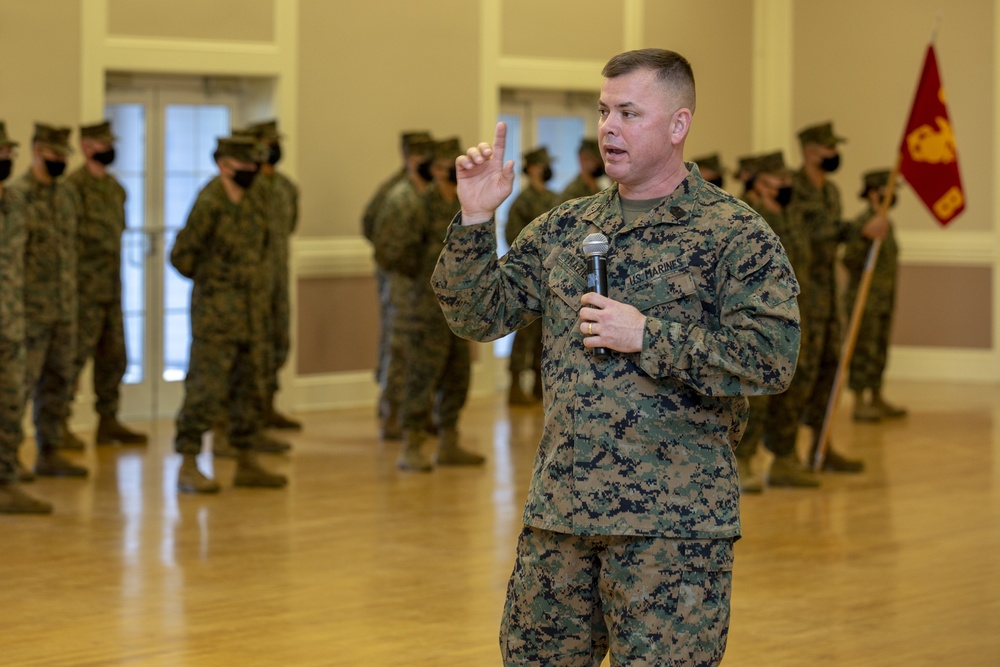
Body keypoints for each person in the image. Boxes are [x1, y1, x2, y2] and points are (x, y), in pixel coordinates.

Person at [433, 49, 800, 665]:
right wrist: (474, 219)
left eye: (629, 112)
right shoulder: (563, 228)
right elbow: (478, 315)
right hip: (562, 515)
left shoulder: (732, 233)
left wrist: (647, 335)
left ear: (678, 125)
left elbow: (771, 357)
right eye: (604, 111)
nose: (608, 127)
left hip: (673, 527)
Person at [170, 136, 287, 494]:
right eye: (244, 165)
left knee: (250, 390)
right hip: (216, 319)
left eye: (255, 165)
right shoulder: (210, 202)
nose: (252, 171)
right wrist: (216, 282)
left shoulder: (258, 199)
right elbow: (181, 256)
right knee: (205, 391)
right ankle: (189, 462)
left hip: (253, 315)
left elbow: (266, 249)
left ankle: (247, 460)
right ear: (224, 165)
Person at [380, 137, 486, 472]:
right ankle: (412, 443)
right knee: (420, 376)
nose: (449, 173)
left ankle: (449, 440)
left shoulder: (462, 205)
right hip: (423, 310)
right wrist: (424, 278)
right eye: (443, 167)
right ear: (436, 170)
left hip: (458, 308)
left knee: (457, 374)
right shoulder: (418, 205)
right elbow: (393, 252)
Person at [732, 151, 818, 491]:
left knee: (795, 389)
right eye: (777, 181)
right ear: (756, 182)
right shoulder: (745, 218)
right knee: (757, 395)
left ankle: (784, 458)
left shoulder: (791, 214)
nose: (785, 186)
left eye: (787, 180)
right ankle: (741, 459)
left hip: (796, 318)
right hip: (758, 320)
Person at [7, 123, 87, 478]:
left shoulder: (67, 196)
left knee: (59, 384)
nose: (59, 161)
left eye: (63, 155)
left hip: (64, 308)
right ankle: (8, 459)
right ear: (37, 150)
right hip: (27, 312)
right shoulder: (18, 197)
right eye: (54, 154)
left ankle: (50, 451)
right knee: (17, 390)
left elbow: (72, 251)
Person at [787, 121, 868, 472]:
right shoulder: (792, 189)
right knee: (798, 376)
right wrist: (857, 229)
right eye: (829, 149)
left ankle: (822, 446)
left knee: (829, 372)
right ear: (810, 152)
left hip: (829, 298)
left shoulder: (832, 191)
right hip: (803, 295)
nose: (835, 155)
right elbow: (816, 232)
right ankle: (785, 455)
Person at [62, 120, 148, 449]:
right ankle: (59, 426)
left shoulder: (116, 190)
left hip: (111, 290)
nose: (110, 149)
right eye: (102, 143)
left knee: (114, 358)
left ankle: (108, 421)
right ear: (86, 148)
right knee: (72, 361)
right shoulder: (73, 189)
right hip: (82, 291)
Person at [0, 121, 53, 513]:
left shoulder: (15, 203)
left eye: (8, 153)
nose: (5, 158)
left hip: (11, 322)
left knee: (9, 404)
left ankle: (5, 480)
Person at [370, 133, 435, 440]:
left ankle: (419, 412)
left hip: (427, 288)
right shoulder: (397, 195)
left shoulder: (433, 195)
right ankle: (391, 411)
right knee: (399, 350)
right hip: (401, 284)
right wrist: (406, 264)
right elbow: (379, 238)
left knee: (425, 353)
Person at [246, 119, 301, 431]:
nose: (272, 148)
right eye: (266, 142)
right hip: (252, 283)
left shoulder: (286, 188)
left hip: (278, 278)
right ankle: (244, 415)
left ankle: (268, 405)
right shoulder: (248, 189)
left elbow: (288, 228)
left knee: (278, 341)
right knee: (252, 348)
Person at [843, 169, 906, 422]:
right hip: (864, 300)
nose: (892, 196)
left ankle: (876, 396)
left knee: (879, 350)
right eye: (886, 190)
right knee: (863, 351)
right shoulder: (863, 223)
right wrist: (863, 237)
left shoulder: (887, 224)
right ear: (873, 193)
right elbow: (849, 259)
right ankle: (859, 402)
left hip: (884, 299)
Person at [504, 146, 558, 405]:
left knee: (543, 336)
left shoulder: (553, 198)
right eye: (545, 164)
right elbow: (512, 237)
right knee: (523, 334)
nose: (548, 169)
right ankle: (514, 386)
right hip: (529, 280)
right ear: (535, 168)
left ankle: (539, 386)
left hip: (552, 279)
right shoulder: (522, 202)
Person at [557, 137, 603, 203]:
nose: (599, 163)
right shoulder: (572, 192)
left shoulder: (599, 188)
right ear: (582, 158)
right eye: (594, 159)